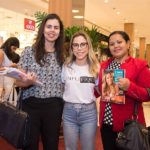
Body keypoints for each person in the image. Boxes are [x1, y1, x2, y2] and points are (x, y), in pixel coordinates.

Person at [16, 13, 65, 150]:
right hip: (30, 105)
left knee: (51, 145)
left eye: (56, 27)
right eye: (49, 26)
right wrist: (28, 81)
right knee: (29, 145)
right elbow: (17, 82)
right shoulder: (28, 52)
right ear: (43, 29)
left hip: (54, 107)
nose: (52, 30)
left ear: (60, 32)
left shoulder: (63, 55)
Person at [96, 31, 150, 150]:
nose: (115, 46)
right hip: (106, 122)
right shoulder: (104, 65)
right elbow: (98, 90)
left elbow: (147, 94)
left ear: (128, 44)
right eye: (112, 44)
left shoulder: (139, 65)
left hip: (128, 126)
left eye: (119, 42)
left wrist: (129, 87)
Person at [61, 31, 99, 150]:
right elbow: (62, 87)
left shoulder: (97, 67)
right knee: (69, 148)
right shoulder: (66, 66)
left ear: (88, 46)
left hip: (89, 113)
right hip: (69, 113)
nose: (79, 48)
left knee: (88, 148)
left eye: (83, 44)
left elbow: (100, 91)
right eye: (76, 45)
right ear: (72, 48)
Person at [0, 37, 20, 104]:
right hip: (3, 84)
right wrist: (10, 66)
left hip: (8, 85)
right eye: (14, 48)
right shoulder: (1, 52)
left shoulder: (8, 54)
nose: (14, 51)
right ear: (9, 44)